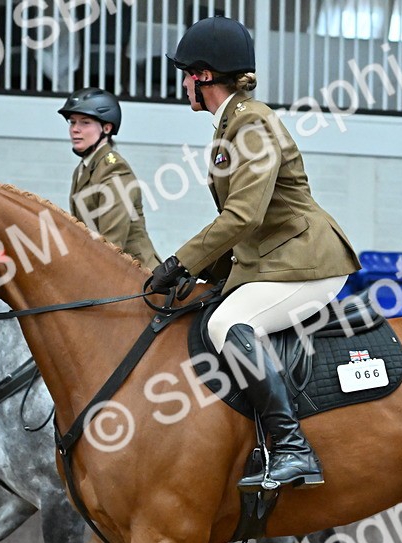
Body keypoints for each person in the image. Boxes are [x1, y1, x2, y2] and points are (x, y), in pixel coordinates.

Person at [151, 15, 361, 492]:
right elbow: (245, 227)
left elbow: (243, 217)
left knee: (228, 325)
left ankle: (291, 448)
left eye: (187, 73)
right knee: (209, 308)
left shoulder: (250, 123)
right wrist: (202, 278)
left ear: (204, 76)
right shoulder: (232, 123)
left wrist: (181, 262)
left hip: (308, 260)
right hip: (276, 258)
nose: (183, 82)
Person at [58, 87, 160, 267]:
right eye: (72, 122)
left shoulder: (115, 172)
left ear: (107, 127)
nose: (75, 129)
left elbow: (111, 244)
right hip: (105, 268)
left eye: (85, 122)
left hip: (134, 274)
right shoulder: (84, 168)